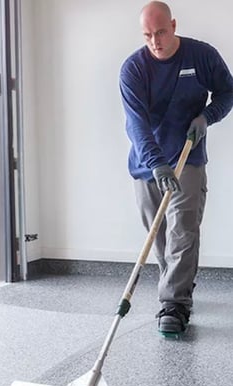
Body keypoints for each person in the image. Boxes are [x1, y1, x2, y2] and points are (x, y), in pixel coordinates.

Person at [119, 1, 233, 336]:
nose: (155, 41)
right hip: (148, 163)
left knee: (183, 227)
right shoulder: (133, 69)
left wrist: (207, 117)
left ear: (173, 25)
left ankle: (174, 304)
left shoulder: (201, 56)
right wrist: (156, 163)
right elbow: (136, 124)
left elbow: (228, 92)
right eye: (147, 35)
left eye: (160, 32)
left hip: (188, 156)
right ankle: (178, 286)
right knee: (158, 233)